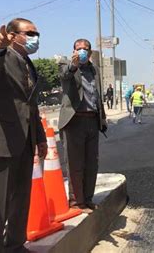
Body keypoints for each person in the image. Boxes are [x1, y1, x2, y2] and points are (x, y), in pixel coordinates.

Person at [0, 18, 48, 252]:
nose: (35, 38)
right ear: (12, 35)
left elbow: (30, 106)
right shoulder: (1, 56)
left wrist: (41, 137)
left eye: (37, 33)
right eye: (30, 33)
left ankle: (14, 245)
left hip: (24, 141)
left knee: (20, 200)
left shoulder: (27, 64)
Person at [58, 38, 107, 214]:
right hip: (74, 121)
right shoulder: (67, 64)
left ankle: (87, 199)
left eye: (85, 49)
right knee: (75, 163)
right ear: (73, 51)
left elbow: (97, 95)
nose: (82, 51)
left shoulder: (95, 70)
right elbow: (64, 76)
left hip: (92, 120)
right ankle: (76, 202)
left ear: (90, 52)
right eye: (79, 49)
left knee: (91, 163)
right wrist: (73, 65)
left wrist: (102, 119)